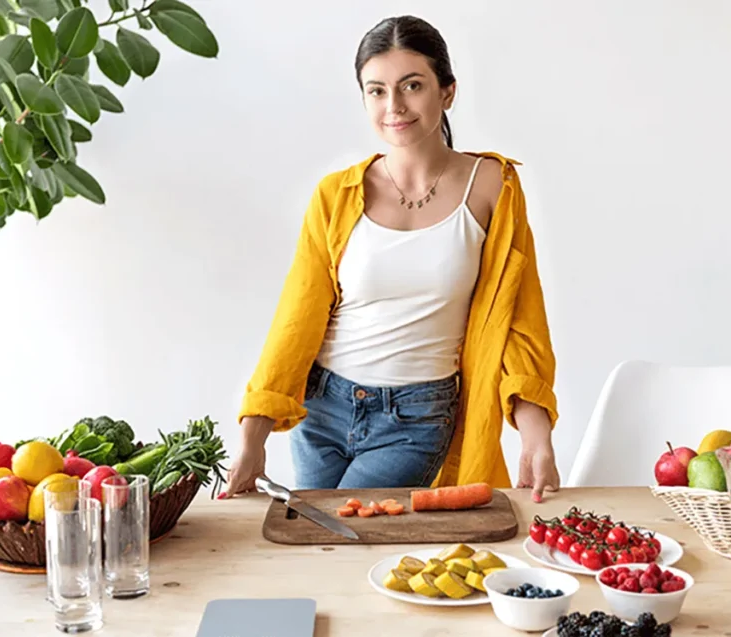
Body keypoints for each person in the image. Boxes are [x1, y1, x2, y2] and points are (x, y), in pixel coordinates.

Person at [220, 15, 561, 503]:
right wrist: (253, 439)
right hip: (323, 408)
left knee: (349, 540)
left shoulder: (492, 187)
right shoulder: (335, 195)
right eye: (376, 91)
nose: (394, 106)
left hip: (417, 416)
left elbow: (520, 322)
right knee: (318, 551)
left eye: (412, 85)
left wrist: (536, 435)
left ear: (447, 92)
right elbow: (296, 322)